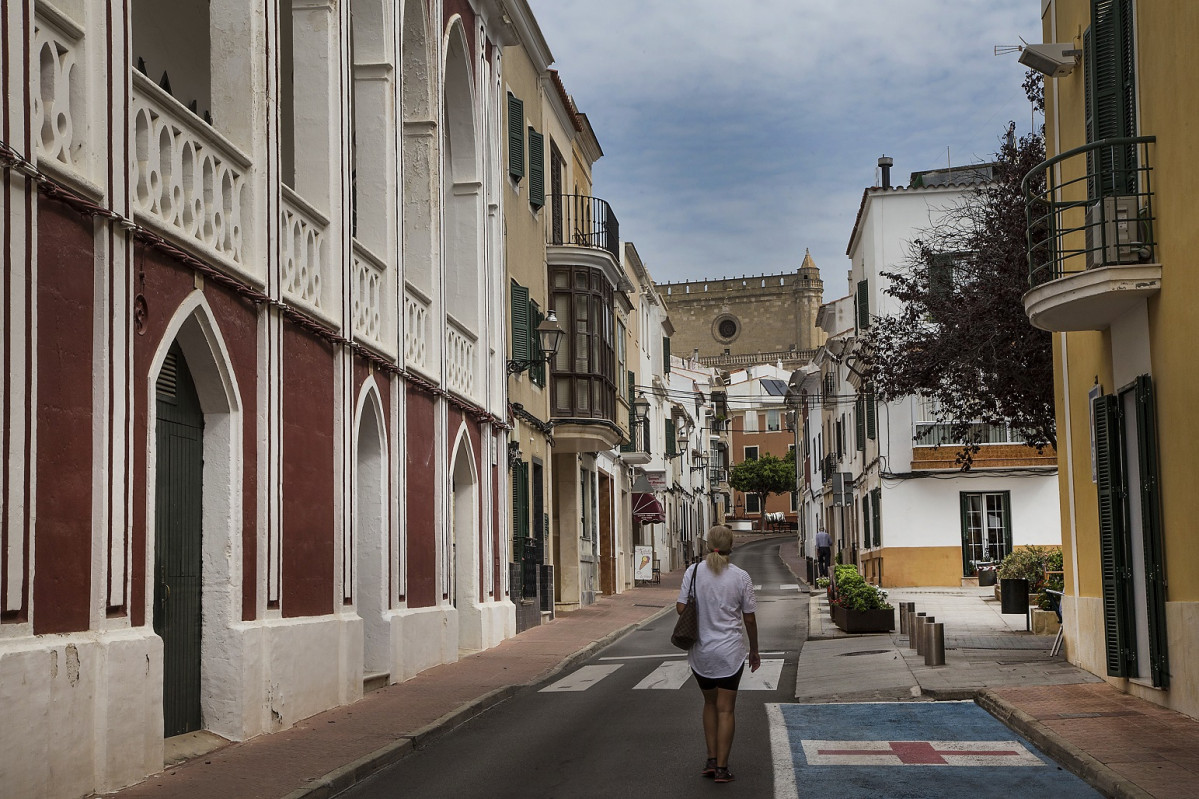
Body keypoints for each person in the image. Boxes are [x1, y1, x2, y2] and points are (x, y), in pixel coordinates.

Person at [676, 525, 759, 783]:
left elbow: (680, 608)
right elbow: (750, 620)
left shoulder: (694, 571)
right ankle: (722, 769)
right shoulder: (741, 577)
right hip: (730, 654)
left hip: (702, 653)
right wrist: (754, 650)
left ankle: (711, 760)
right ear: (731, 546)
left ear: (707, 543)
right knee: (726, 710)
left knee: (709, 704)